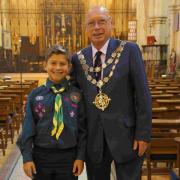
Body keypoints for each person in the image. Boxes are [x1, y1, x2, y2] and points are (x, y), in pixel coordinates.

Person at [71, 6, 152, 180]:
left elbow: (143, 94)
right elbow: (74, 101)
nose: (97, 27)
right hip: (94, 139)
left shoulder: (129, 50)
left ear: (111, 24)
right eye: (91, 23)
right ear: (85, 29)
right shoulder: (78, 59)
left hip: (127, 136)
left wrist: (143, 134)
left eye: (101, 21)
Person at [17, 45, 86, 180]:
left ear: (69, 67)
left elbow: (83, 129)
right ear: (45, 65)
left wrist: (80, 157)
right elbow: (27, 129)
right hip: (41, 157)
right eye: (53, 63)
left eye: (62, 64)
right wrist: (27, 157)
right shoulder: (35, 95)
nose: (58, 68)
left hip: (69, 157)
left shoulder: (77, 95)